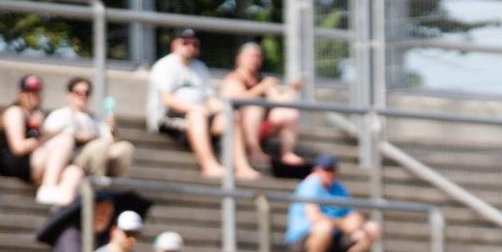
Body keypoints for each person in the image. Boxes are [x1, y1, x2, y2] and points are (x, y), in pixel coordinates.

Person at [146, 28, 228, 180]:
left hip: (200, 116)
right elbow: (167, 100)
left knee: (230, 116)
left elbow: (210, 98)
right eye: (185, 43)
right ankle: (209, 165)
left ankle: (240, 167)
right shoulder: (164, 65)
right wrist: (197, 109)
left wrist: (225, 111)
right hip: (168, 118)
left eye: (194, 44)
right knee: (196, 115)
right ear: (175, 45)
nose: (190, 47)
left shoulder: (200, 67)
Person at [217, 42, 306, 178]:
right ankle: (254, 150)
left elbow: (280, 101)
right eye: (251, 56)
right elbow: (237, 99)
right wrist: (262, 87)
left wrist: (293, 89)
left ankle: (287, 153)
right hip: (235, 127)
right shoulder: (233, 78)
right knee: (254, 107)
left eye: (257, 56)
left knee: (290, 113)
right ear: (239, 58)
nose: (254, 60)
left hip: (260, 128)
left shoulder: (262, 79)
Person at [287, 155, 380, 252]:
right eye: (327, 169)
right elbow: (314, 217)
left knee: (372, 229)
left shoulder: (338, 188)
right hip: (305, 238)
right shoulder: (310, 184)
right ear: (317, 170)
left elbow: (352, 214)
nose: (330, 173)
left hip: (333, 237)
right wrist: (343, 224)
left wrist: (357, 223)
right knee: (324, 227)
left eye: (333, 170)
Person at [0, 74, 78, 203]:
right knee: (64, 139)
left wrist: (41, 129)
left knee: (74, 171)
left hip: (32, 162)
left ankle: (62, 210)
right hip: (15, 164)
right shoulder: (15, 112)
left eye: (37, 92)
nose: (35, 95)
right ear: (21, 93)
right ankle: (48, 187)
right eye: (30, 92)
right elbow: (18, 147)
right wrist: (45, 136)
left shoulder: (36, 115)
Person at [43, 76, 134, 183]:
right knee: (100, 145)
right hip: (72, 156)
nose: (83, 96)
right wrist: (76, 137)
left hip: (97, 152)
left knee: (125, 148)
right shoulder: (59, 115)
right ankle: (98, 184)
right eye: (78, 92)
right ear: (69, 94)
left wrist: (113, 129)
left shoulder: (96, 119)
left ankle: (116, 185)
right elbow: (47, 139)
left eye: (86, 93)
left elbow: (111, 142)